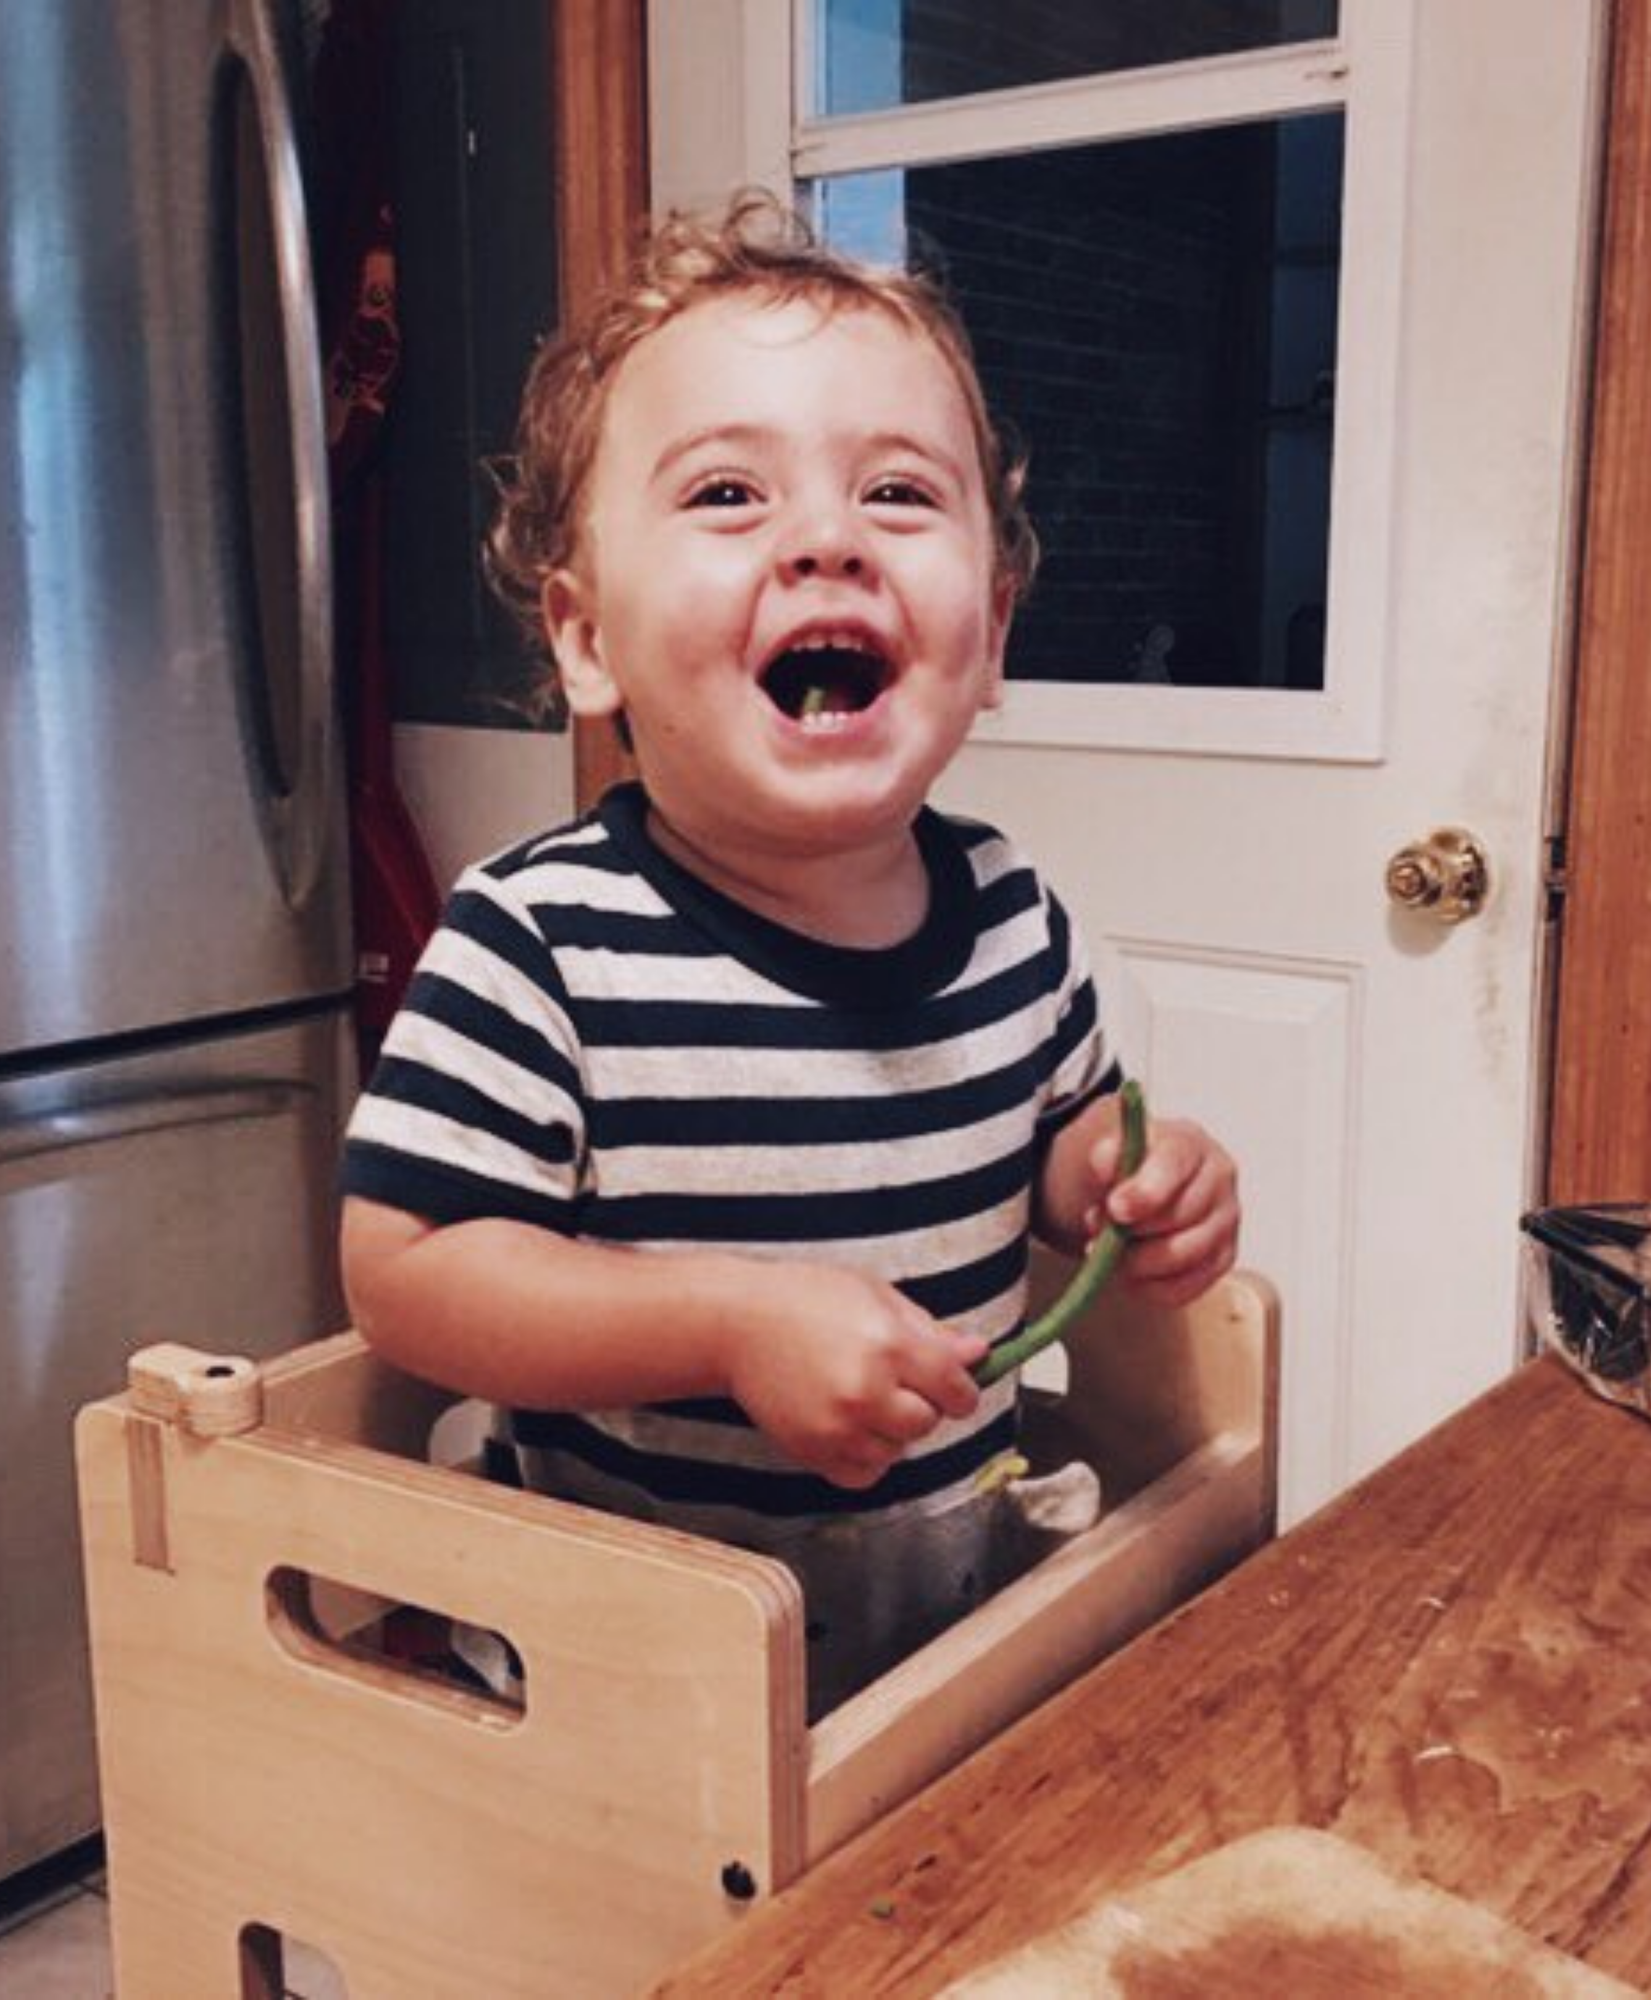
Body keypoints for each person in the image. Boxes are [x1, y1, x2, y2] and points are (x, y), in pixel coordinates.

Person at [338, 191, 1240, 1708]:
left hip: (948, 1639)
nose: (827, 540)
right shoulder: (538, 942)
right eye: (726, 497)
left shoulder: (1014, 914)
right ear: (586, 641)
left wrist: (1130, 1185)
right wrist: (728, 1318)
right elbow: (409, 1276)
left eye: (898, 493)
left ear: (995, 628)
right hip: (621, 1690)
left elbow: (1064, 1147)